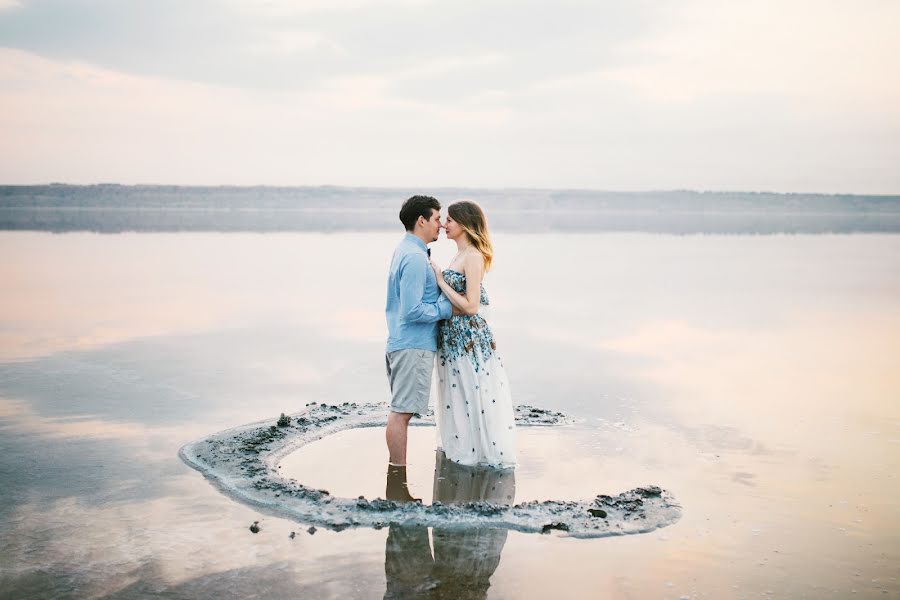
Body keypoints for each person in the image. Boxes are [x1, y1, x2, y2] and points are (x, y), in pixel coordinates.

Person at [429, 201, 517, 468]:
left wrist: (441, 281)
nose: (445, 225)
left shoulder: (474, 257)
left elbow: (471, 306)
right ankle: (460, 448)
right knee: (455, 396)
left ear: (465, 225)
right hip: (451, 338)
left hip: (468, 339)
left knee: (471, 393)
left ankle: (475, 453)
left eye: (451, 221)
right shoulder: (458, 256)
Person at [384, 195, 453, 466]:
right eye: (437, 219)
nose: (441, 225)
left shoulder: (407, 250)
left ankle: (396, 476)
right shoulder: (413, 257)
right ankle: (397, 473)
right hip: (413, 345)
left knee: (402, 410)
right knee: (402, 412)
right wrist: (444, 307)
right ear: (421, 220)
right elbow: (411, 310)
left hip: (404, 342)